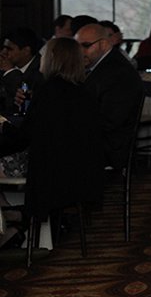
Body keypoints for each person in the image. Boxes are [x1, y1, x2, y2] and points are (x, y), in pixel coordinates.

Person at [0, 39, 102, 225]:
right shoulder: (86, 90)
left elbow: (24, 138)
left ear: (53, 58)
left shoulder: (49, 91)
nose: (40, 59)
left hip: (51, 176)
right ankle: (9, 215)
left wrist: (4, 127)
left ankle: (10, 221)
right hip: (81, 173)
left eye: (44, 55)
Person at [76, 21, 143, 170]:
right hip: (100, 139)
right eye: (77, 46)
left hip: (109, 147)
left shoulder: (117, 73)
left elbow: (111, 121)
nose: (80, 51)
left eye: (86, 45)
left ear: (104, 44)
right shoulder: (103, 66)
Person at [1, 27, 43, 114]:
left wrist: (10, 71)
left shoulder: (42, 69)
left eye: (9, 49)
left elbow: (24, 95)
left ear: (26, 51)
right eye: (3, 48)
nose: (3, 53)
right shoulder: (4, 67)